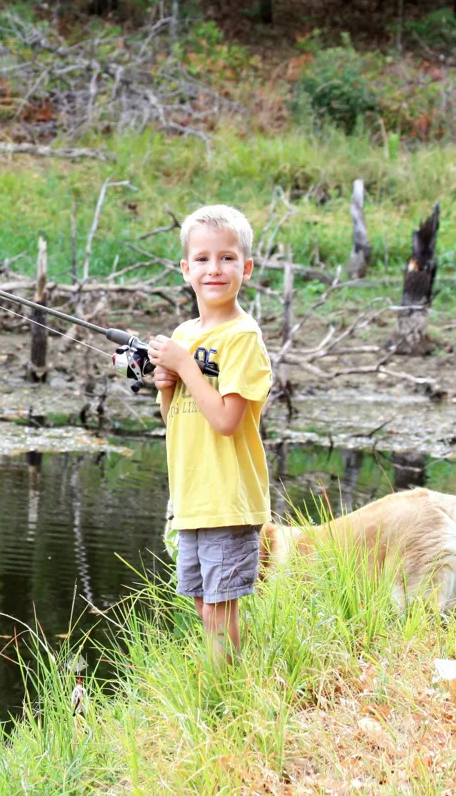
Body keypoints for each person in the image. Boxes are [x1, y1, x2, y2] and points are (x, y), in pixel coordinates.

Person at [147, 205, 271, 665]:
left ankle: (224, 699)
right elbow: (176, 418)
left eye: (227, 258)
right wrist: (166, 386)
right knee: (203, 605)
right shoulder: (185, 333)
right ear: (185, 269)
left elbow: (225, 420)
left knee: (220, 611)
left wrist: (183, 365)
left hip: (227, 496)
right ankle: (225, 687)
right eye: (201, 259)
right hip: (192, 499)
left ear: (247, 268)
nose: (213, 269)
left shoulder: (243, 337)